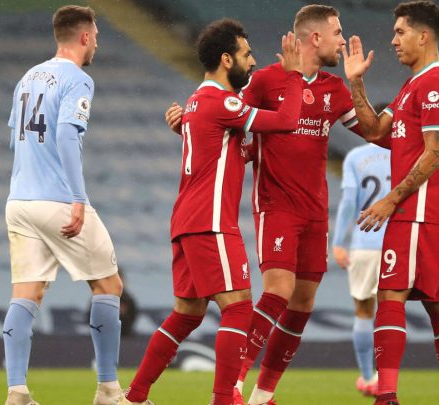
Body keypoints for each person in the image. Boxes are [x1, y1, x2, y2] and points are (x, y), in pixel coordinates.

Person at [165, 6, 439, 404]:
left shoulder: (334, 89)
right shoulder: (265, 81)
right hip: (276, 204)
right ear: (315, 38)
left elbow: (378, 133)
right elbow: (225, 124)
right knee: (279, 289)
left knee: (303, 302)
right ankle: (233, 386)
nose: (343, 40)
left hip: (315, 210)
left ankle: (263, 393)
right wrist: (188, 127)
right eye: (337, 33)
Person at [120, 19, 304, 405]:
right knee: (238, 308)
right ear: (226, 59)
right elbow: (287, 121)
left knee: (187, 314)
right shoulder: (222, 102)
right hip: (211, 220)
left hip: (187, 220)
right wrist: (293, 75)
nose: (252, 62)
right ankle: (222, 399)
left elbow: (232, 152)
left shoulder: (196, 102)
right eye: (246, 54)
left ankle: (134, 397)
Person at [342, 2, 439, 404]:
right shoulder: (414, 85)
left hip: (419, 210)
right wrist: (356, 83)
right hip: (433, 210)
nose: (393, 41)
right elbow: (376, 131)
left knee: (391, 295)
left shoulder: (433, 83)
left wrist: (390, 200)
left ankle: (387, 396)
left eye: (400, 32)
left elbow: (435, 152)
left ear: (423, 36)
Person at [3, 6, 123, 405]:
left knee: (26, 294)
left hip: (19, 200)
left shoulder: (27, 77)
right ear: (85, 37)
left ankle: (17, 392)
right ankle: (108, 390)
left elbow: (15, 138)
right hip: (56, 199)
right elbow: (67, 135)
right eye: (96, 37)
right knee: (108, 285)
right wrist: (77, 197)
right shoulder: (78, 79)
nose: (97, 44)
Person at [331, 131, 391, 397]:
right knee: (391, 313)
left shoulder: (356, 157)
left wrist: (338, 242)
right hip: (396, 244)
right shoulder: (406, 156)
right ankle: (388, 380)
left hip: (364, 242)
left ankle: (368, 378)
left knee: (364, 311)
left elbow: (348, 202)